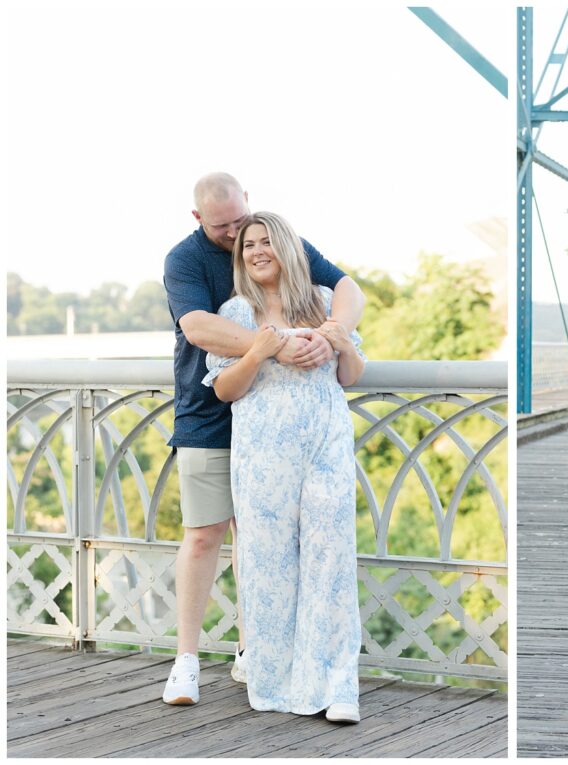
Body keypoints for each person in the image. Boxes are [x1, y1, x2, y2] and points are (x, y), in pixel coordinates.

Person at [161, 173, 365, 706]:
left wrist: (327, 336)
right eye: (226, 229)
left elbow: (347, 288)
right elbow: (199, 328)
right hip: (210, 415)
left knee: (272, 547)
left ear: (249, 203)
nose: (239, 237)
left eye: (243, 223)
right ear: (198, 219)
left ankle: (264, 659)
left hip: (296, 431)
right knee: (208, 536)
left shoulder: (277, 241)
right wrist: (273, 347)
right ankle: (187, 662)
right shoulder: (184, 261)